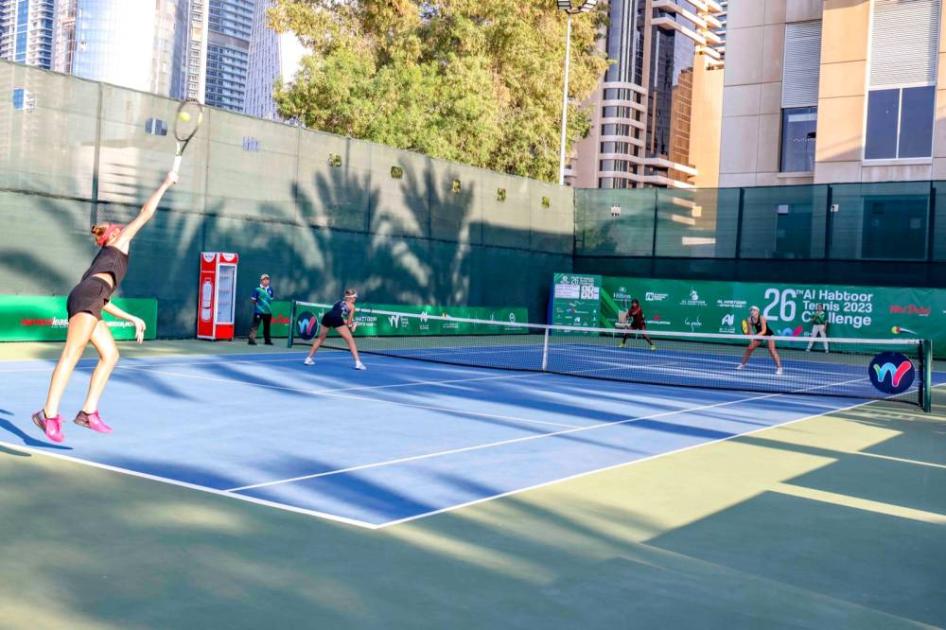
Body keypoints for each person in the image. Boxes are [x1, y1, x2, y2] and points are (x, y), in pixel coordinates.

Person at [32, 171, 178, 443]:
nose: (124, 230)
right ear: (114, 236)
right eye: (119, 229)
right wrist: (166, 183)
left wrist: (132, 318)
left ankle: (88, 413)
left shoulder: (106, 262)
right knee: (71, 354)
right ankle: (47, 414)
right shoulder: (118, 245)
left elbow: (103, 299)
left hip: (92, 297)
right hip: (88, 296)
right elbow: (146, 213)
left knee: (110, 355)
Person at [303, 289, 366, 370]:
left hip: (327, 316)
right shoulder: (352, 307)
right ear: (350, 298)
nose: (355, 299)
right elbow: (348, 324)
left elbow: (335, 315)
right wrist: (353, 326)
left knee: (320, 338)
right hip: (335, 318)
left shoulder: (338, 302)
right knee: (350, 340)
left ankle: (308, 359)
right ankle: (358, 363)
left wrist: (350, 324)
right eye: (354, 298)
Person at [737, 305, 783, 375]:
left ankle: (779, 368)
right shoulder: (749, 319)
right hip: (759, 334)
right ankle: (742, 364)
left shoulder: (762, 318)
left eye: (754, 310)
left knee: (771, 350)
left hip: (768, 334)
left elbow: (764, 331)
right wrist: (751, 338)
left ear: (757, 312)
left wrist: (755, 336)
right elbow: (750, 331)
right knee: (749, 348)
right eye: (751, 310)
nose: (752, 311)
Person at [248, 273, 274, 345]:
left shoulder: (270, 289)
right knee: (255, 326)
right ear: (261, 281)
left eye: (267, 279)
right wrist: (259, 306)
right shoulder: (257, 289)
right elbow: (253, 300)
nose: (266, 281)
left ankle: (267, 341)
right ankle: (251, 340)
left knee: (267, 327)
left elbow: (271, 299)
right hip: (258, 312)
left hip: (268, 312)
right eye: (264, 279)